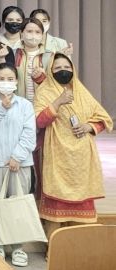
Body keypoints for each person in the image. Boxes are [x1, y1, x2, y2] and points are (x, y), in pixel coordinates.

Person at [34, 53, 112, 239]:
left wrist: (88, 127)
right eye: (58, 68)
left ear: (73, 69)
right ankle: (55, 247)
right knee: (56, 203)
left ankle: (80, 248)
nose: (63, 71)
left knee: (82, 201)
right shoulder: (44, 91)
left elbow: (103, 118)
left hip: (81, 157)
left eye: (67, 67)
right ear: (50, 71)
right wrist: (58, 101)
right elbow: (39, 121)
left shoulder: (81, 91)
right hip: (56, 153)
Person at [0, 63, 36, 267]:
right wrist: (1, 109)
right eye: (1, 79)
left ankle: (18, 247)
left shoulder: (25, 105)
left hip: (20, 163)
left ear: (17, 81)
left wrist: (17, 157)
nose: (6, 82)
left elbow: (29, 133)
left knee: (17, 204)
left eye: (10, 79)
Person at [13, 18, 54, 102]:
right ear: (21, 33)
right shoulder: (13, 54)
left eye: (37, 32)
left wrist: (43, 77)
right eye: (29, 31)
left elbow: (54, 84)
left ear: (42, 35)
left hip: (42, 104)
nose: (33, 35)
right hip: (18, 104)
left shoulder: (49, 56)